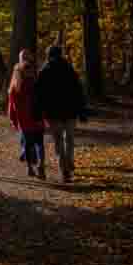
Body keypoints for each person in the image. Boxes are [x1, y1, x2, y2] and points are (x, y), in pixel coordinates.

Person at [35, 44, 88, 183]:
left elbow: (39, 95)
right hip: (70, 111)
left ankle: (64, 168)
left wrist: (39, 112)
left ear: (49, 55)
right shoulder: (69, 69)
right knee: (69, 139)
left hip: (53, 114)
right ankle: (69, 163)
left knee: (58, 141)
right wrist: (82, 111)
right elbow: (79, 91)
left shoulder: (44, 71)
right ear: (61, 54)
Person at [7, 49, 45, 179]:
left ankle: (30, 168)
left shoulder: (15, 88)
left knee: (28, 145)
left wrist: (13, 119)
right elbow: (42, 101)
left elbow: (11, 106)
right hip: (37, 119)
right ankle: (41, 165)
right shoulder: (36, 84)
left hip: (24, 121)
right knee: (39, 143)